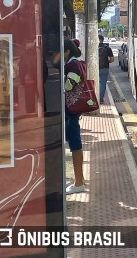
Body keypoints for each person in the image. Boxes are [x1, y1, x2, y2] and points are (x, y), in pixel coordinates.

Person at [53, 38, 85, 194]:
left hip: (71, 111)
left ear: (67, 51)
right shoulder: (76, 63)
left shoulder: (72, 65)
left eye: (60, 52)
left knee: (75, 144)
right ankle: (80, 180)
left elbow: (68, 86)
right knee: (74, 143)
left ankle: (79, 182)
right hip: (73, 110)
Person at [98, 35, 114, 104]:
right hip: (104, 68)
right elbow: (112, 59)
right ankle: (101, 98)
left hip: (94, 68)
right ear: (103, 40)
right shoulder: (107, 48)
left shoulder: (91, 47)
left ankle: (93, 98)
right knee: (103, 83)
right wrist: (107, 62)